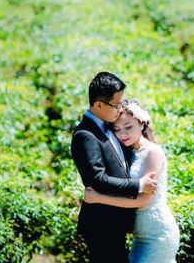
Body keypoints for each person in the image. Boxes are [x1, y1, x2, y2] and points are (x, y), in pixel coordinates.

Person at [71, 72, 158, 263]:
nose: (120, 110)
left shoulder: (109, 126)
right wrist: (139, 185)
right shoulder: (85, 135)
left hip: (115, 222)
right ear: (99, 105)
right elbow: (97, 179)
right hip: (102, 223)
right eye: (116, 105)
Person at [84, 99, 180, 263]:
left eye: (128, 127)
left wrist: (100, 198)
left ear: (142, 123)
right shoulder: (127, 152)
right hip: (139, 235)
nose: (123, 134)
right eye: (117, 129)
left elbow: (144, 200)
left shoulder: (153, 153)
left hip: (158, 234)